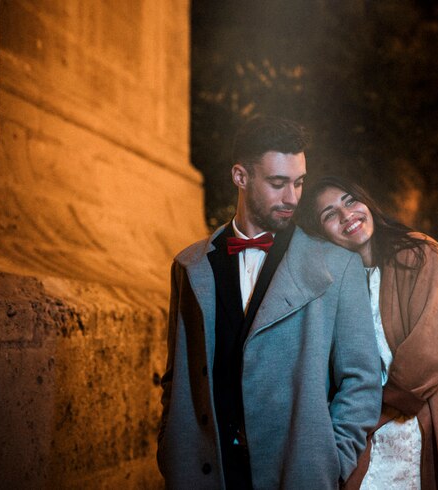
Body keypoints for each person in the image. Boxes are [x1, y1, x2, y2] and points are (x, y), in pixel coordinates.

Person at [156, 116, 382, 490]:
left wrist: (331, 460)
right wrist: (170, 447)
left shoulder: (338, 267)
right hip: (204, 475)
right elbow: (175, 375)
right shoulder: (188, 266)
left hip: (298, 474)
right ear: (240, 177)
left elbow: (362, 380)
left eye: (299, 182)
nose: (292, 197)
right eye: (278, 183)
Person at [298, 175, 438, 490]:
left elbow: (426, 358)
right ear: (320, 232)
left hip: (422, 423)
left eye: (350, 201)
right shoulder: (329, 284)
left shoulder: (422, 254)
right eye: (330, 214)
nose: (347, 217)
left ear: (367, 202)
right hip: (363, 437)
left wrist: (367, 416)